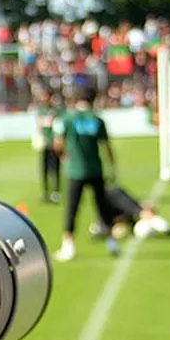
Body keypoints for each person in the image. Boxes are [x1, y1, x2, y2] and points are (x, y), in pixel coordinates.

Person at [52, 87, 118, 262]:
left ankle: (68, 244)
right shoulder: (97, 120)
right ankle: (112, 241)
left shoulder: (67, 119)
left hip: (75, 170)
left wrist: (64, 157)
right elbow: (107, 146)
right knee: (102, 206)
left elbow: (58, 144)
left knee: (72, 208)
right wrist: (112, 166)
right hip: (95, 168)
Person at [87, 184, 170, 241]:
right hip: (115, 202)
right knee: (142, 222)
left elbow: (142, 210)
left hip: (116, 201)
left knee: (144, 214)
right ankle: (167, 229)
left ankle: (167, 229)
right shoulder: (107, 222)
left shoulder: (118, 204)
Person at [33, 91, 64, 204]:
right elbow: (40, 125)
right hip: (44, 144)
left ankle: (56, 192)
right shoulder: (41, 110)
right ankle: (45, 192)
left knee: (55, 169)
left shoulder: (57, 110)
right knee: (44, 169)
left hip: (54, 143)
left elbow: (59, 125)